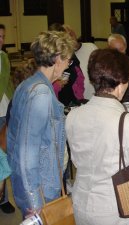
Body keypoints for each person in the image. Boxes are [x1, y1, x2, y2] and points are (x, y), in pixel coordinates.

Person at [66, 48, 129, 225]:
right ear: (122, 82)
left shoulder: (73, 116)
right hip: (115, 207)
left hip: (80, 200)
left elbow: (78, 161)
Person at [7, 31, 75, 217]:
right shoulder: (41, 94)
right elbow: (27, 154)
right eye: (67, 60)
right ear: (57, 59)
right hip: (41, 190)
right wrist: (36, 204)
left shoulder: (27, 84)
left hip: (31, 185)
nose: (67, 66)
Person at [49, 23, 85, 106]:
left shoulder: (71, 55)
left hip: (73, 103)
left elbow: (79, 78)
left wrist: (79, 97)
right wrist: (56, 85)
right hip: (56, 105)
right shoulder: (48, 59)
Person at [0, 23, 15, 214]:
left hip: (4, 113)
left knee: (4, 156)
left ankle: (3, 199)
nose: (1, 40)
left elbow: (6, 82)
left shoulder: (3, 57)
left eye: (2, 36)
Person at [64, 24, 98, 100]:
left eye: (71, 34)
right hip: (80, 100)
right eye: (66, 37)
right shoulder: (65, 58)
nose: (70, 37)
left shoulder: (91, 47)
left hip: (96, 96)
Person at [108, 34, 129, 102]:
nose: (119, 53)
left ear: (126, 47)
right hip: (110, 101)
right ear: (109, 48)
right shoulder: (104, 65)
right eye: (115, 50)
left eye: (121, 49)